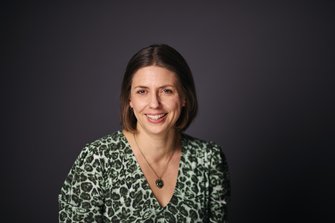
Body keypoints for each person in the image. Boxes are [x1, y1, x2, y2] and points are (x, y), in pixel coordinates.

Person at [58, 44, 230, 222]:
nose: (154, 104)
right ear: (130, 99)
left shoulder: (209, 160)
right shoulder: (97, 160)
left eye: (166, 91)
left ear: (185, 97)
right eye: (142, 91)